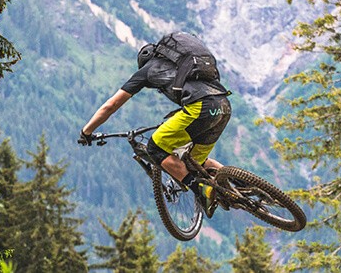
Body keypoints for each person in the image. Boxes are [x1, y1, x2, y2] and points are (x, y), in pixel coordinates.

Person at [78, 32, 232, 217]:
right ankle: (243, 186)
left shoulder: (148, 69)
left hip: (201, 107)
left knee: (155, 147)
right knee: (195, 163)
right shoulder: (186, 68)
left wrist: (87, 131)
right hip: (223, 106)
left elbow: (111, 105)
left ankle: (201, 190)